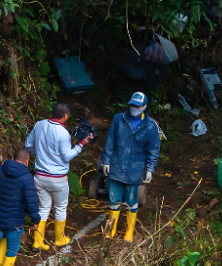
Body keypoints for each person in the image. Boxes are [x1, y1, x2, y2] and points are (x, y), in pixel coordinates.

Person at [24, 102, 94, 251]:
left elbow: (28, 145)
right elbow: (67, 156)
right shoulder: (63, 133)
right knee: (60, 208)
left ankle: (37, 242)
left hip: (40, 176)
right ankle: (60, 239)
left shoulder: (39, 125)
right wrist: (81, 144)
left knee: (43, 209)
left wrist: (42, 152)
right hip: (58, 179)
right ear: (66, 116)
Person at [100, 92, 162, 243]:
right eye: (132, 104)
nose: (133, 107)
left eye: (137, 105)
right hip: (116, 165)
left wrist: (150, 169)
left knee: (131, 201)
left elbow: (153, 149)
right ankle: (110, 230)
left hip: (134, 170)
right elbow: (110, 140)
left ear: (144, 107)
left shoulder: (150, 126)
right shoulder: (118, 119)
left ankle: (129, 232)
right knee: (113, 200)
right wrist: (106, 160)